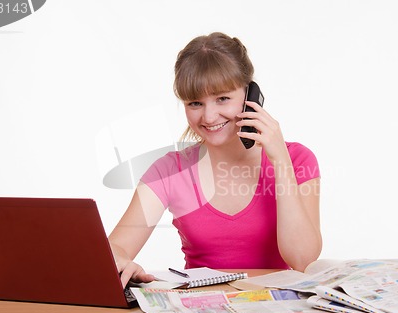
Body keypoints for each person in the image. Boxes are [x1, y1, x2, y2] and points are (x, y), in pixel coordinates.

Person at [108, 32, 322, 287]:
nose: (209, 117)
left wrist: (280, 162)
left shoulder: (297, 159)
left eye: (222, 98)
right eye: (195, 103)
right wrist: (120, 259)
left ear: (250, 94)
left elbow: (303, 260)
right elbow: (116, 246)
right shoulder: (170, 170)